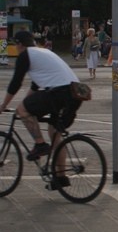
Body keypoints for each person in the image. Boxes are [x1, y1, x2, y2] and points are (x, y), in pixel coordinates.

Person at [0, 30, 82, 189]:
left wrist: (4, 105)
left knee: (22, 110)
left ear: (20, 44)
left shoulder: (26, 55)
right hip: (75, 93)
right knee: (54, 132)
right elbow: (35, 85)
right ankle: (60, 178)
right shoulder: (42, 52)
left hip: (60, 92)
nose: (16, 48)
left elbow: (16, 83)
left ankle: (40, 144)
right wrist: (25, 102)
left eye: (15, 44)